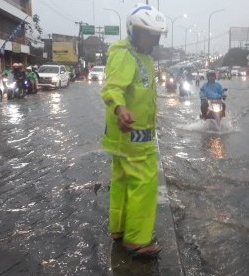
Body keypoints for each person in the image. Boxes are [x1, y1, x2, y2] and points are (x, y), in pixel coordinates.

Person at [100, 3, 167, 258]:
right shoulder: (125, 54)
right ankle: (138, 240)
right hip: (134, 137)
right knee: (144, 184)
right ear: (133, 32)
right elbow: (111, 88)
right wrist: (120, 110)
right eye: (147, 34)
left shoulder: (144, 58)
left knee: (121, 181)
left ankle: (118, 229)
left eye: (155, 35)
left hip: (122, 138)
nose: (151, 40)